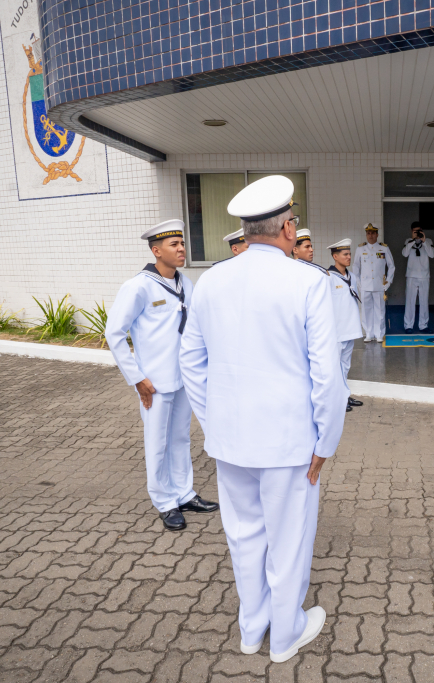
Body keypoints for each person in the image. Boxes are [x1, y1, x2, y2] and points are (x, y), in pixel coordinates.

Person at [179, 176, 348, 663]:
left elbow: (191, 360)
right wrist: (326, 442)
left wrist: (214, 423)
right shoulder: (309, 281)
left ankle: (252, 629)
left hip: (231, 440)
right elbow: (327, 375)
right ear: (288, 228)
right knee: (289, 538)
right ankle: (286, 633)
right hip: (289, 442)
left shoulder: (211, 280)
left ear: (247, 231)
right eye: (294, 221)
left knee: (245, 536)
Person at [105, 219, 219, 532]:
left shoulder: (186, 283)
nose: (182, 249)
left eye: (182, 243)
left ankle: (184, 493)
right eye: (174, 245)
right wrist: (136, 377)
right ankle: (164, 501)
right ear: (156, 250)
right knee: (157, 442)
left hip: (184, 378)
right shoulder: (138, 286)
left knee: (180, 438)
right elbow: (114, 332)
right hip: (154, 383)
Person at [328, 238, 364, 411]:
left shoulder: (352, 277)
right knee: (335, 367)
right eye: (345, 254)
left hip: (349, 329)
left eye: (349, 254)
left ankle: (344, 396)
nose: (349, 257)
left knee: (345, 365)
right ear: (335, 256)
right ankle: (336, 400)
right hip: (336, 331)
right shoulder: (328, 278)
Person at [352, 223, 395, 342]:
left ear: (377, 234)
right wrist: (358, 282)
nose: (370, 236)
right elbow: (356, 266)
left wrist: (389, 281)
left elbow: (391, 266)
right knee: (366, 311)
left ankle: (379, 334)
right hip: (365, 285)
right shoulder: (361, 249)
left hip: (379, 285)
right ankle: (369, 333)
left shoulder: (384, 248)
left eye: (372, 233)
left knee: (380, 310)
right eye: (368, 233)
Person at [401, 221, 434, 332]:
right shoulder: (408, 241)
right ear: (412, 231)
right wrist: (412, 240)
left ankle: (423, 325)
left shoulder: (428, 241)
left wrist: (424, 241)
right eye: (415, 231)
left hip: (424, 276)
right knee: (410, 301)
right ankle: (408, 326)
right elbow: (404, 253)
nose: (418, 233)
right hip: (411, 275)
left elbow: (432, 254)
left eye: (419, 231)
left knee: (424, 301)